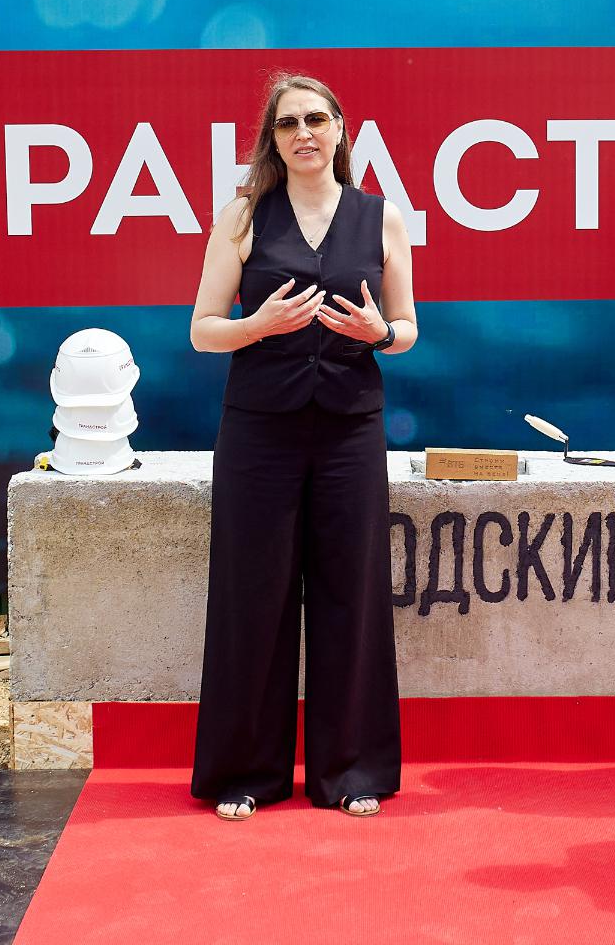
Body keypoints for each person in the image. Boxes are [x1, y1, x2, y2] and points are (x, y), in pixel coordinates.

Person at [187, 74, 418, 820]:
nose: (303, 133)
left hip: (350, 428)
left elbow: (407, 329)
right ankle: (247, 772)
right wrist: (258, 326)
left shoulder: (382, 218)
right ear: (273, 139)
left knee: (353, 592)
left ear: (341, 129)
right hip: (260, 429)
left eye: (316, 119)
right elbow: (203, 330)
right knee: (252, 592)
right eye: (288, 123)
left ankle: (351, 770)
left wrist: (379, 333)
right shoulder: (243, 216)